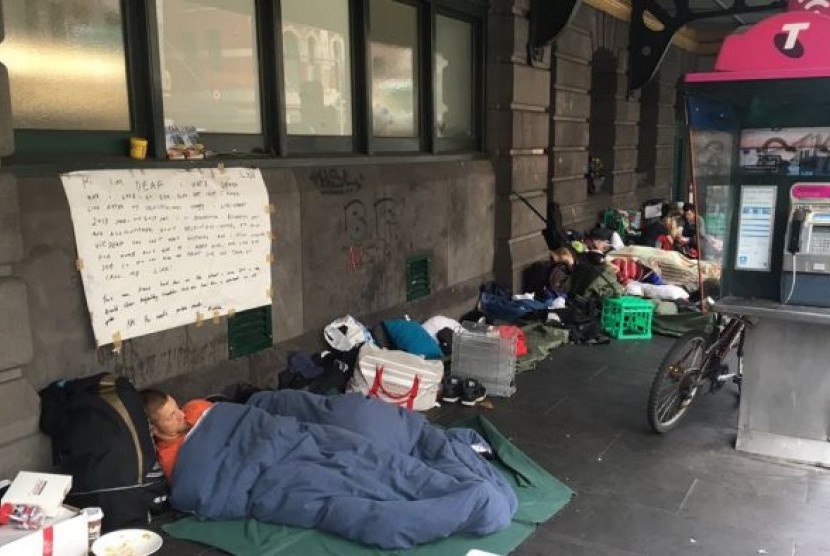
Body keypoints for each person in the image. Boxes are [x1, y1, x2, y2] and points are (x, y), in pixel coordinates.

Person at [140, 389, 213, 480]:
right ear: (154, 429)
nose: (182, 415)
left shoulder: (195, 407)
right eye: (171, 416)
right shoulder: (172, 460)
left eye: (177, 407)